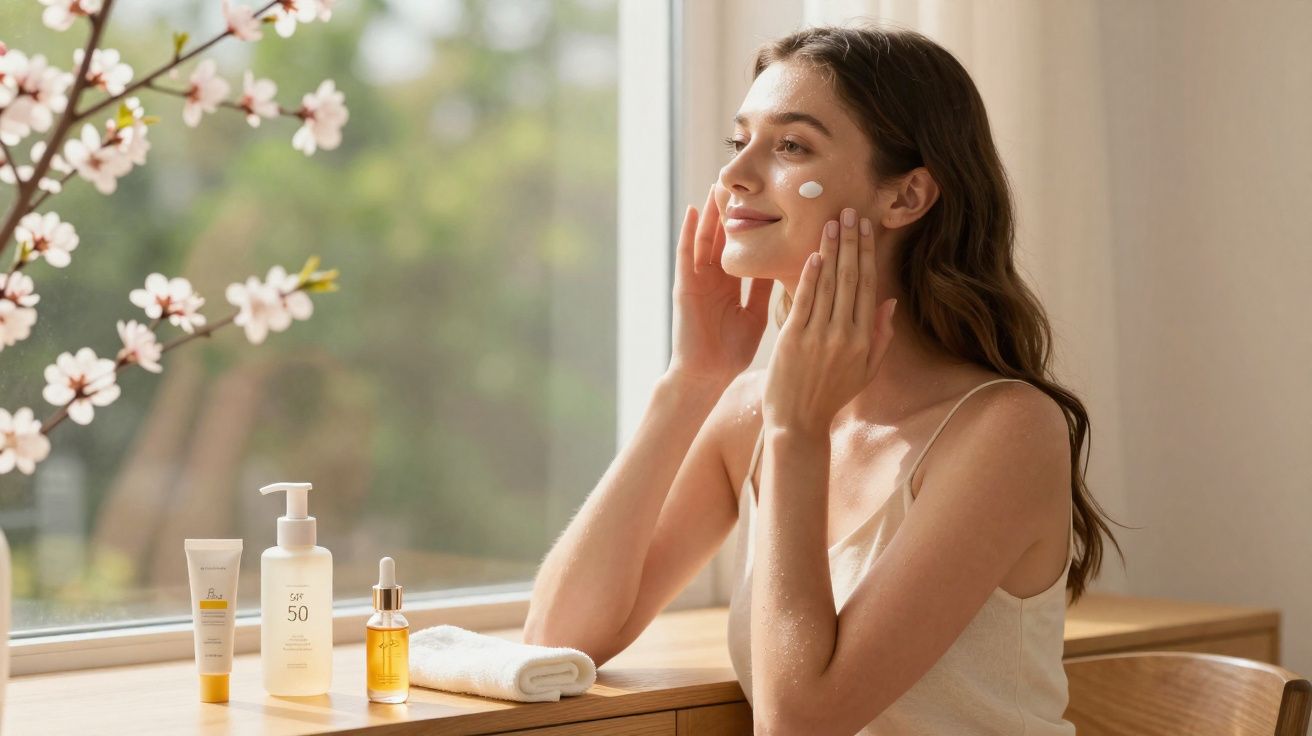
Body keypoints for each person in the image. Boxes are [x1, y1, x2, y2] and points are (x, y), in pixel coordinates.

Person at [526, 23, 1125, 735]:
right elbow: (557, 640)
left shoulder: (1006, 430)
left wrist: (796, 432)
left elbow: (800, 722)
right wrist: (693, 378)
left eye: (790, 146)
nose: (734, 176)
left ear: (905, 198)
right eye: (738, 141)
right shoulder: (754, 413)